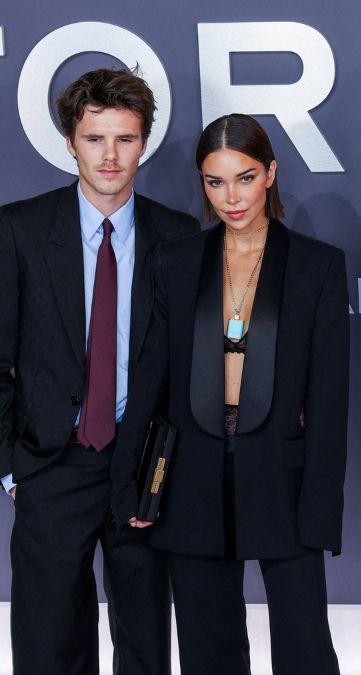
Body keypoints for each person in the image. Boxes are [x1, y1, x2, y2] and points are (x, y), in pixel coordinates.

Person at [110, 114, 348, 675]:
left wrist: (321, 508)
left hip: (281, 474)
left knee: (304, 645)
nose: (231, 197)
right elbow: (149, 382)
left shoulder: (317, 265)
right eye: (215, 182)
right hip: (192, 477)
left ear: (270, 173)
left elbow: (330, 401)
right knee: (207, 648)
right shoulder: (176, 261)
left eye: (244, 178)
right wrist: (131, 485)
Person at [0, 67, 198, 674]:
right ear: (69, 142)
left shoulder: (178, 235)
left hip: (140, 465)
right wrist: (12, 464)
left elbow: (184, 367)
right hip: (51, 461)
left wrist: (166, 461)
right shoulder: (19, 231)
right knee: (48, 640)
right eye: (94, 139)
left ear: (144, 143)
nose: (110, 156)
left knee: (144, 638)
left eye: (125, 139)